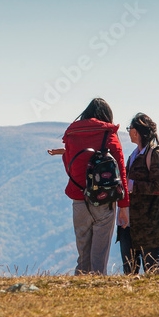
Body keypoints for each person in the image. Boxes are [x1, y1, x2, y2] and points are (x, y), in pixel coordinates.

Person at [48, 98, 128, 275]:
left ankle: (79, 288)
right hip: (104, 200)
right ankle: (97, 290)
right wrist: (124, 206)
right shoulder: (109, 134)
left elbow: (70, 165)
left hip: (79, 200)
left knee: (83, 253)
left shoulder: (72, 134)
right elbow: (120, 171)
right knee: (99, 254)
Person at [124, 113, 159, 274]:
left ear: (136, 132)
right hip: (132, 223)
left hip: (150, 225)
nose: (128, 132)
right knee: (130, 273)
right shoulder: (134, 155)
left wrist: (133, 185)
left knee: (152, 271)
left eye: (129, 129)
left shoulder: (155, 154)